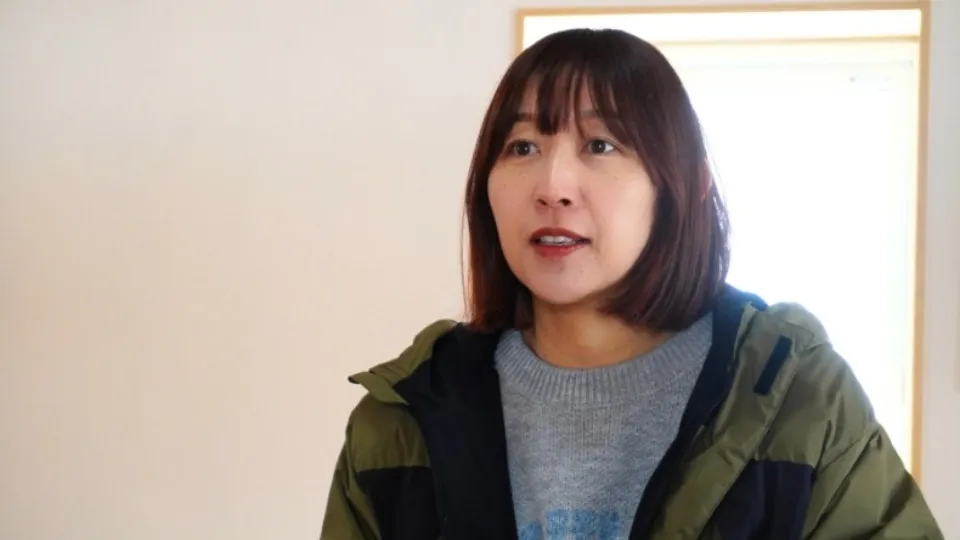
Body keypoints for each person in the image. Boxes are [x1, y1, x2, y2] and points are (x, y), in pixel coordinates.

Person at [320, 28, 942, 540]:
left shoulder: (798, 398)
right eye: (523, 147)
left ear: (686, 185)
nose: (553, 186)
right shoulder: (400, 421)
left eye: (600, 144)